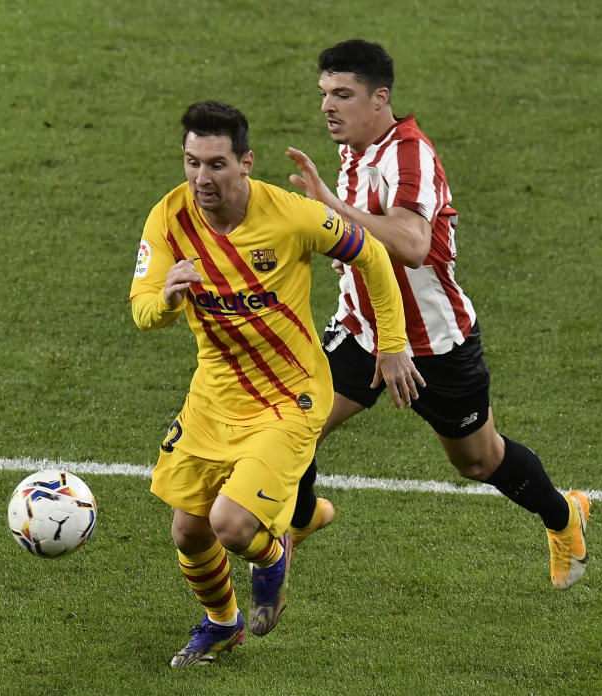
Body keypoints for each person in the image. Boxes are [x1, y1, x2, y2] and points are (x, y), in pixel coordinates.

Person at [286, 39, 591, 590]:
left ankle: (564, 516)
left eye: (343, 94)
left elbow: (410, 240)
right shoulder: (354, 147)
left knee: (478, 461)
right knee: (293, 422)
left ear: (380, 98)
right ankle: (303, 518)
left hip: (435, 344)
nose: (328, 106)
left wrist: (330, 208)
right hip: (362, 328)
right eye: (324, 94)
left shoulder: (409, 153)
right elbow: (366, 237)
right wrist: (343, 257)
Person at [130, 100, 422, 667]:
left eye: (216, 164)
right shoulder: (168, 219)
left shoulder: (291, 215)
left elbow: (375, 259)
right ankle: (222, 623)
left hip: (290, 398)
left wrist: (391, 343)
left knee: (230, 524)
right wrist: (166, 298)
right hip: (213, 399)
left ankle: (273, 553)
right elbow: (140, 308)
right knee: (188, 533)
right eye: (191, 162)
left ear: (246, 162)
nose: (200, 178)